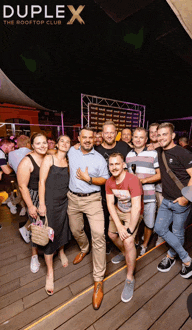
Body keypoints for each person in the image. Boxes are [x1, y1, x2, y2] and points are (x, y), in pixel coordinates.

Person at [67, 127, 109, 310]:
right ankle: (84, 248)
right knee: (76, 229)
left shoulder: (99, 159)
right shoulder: (71, 151)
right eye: (84, 137)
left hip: (92, 199)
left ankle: (98, 280)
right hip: (73, 198)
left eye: (91, 137)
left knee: (99, 234)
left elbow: (105, 180)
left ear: (94, 139)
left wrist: (89, 179)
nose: (87, 140)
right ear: (79, 138)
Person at [154, 122, 192, 278]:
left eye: (165, 134)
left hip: (181, 201)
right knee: (159, 228)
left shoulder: (183, 153)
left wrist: (185, 198)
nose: (161, 137)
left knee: (177, 232)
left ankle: (171, 256)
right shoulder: (159, 151)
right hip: (166, 200)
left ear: (172, 135)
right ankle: (188, 261)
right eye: (159, 135)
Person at [106, 153, 143, 302]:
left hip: (132, 214)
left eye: (117, 164)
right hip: (118, 211)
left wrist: (128, 229)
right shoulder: (109, 182)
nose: (114, 167)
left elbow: (136, 207)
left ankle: (130, 278)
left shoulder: (132, 180)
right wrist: (119, 227)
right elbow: (109, 204)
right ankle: (125, 253)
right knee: (112, 235)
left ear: (123, 165)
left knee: (128, 241)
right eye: (111, 164)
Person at [38, 135, 71, 295]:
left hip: (65, 202)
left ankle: (62, 251)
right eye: (62, 141)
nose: (65, 143)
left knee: (63, 228)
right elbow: (41, 182)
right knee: (49, 233)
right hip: (49, 203)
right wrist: (42, 204)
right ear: (57, 144)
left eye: (68, 141)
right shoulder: (49, 159)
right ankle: (50, 273)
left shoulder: (69, 162)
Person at [96, 120, 131, 254]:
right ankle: (110, 243)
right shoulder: (97, 150)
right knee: (106, 218)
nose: (109, 135)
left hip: (123, 193)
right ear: (102, 134)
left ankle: (127, 245)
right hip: (105, 192)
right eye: (106, 133)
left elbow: (133, 161)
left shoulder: (124, 146)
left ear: (116, 133)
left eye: (112, 132)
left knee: (124, 218)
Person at [126, 128, 160, 256]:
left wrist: (144, 181)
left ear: (146, 140)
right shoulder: (128, 156)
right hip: (133, 197)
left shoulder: (153, 154)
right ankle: (135, 241)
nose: (138, 140)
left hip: (149, 195)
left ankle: (145, 245)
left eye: (141, 137)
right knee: (134, 221)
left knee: (149, 222)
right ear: (132, 138)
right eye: (136, 137)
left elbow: (160, 175)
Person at [17, 133, 48, 273]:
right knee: (36, 227)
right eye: (38, 143)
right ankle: (34, 256)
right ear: (32, 145)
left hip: (48, 195)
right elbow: (22, 186)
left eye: (44, 142)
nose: (42, 146)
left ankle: (49, 249)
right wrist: (30, 206)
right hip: (34, 197)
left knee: (48, 225)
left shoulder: (48, 155)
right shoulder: (26, 162)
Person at [148, 123, 164, 246]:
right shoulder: (148, 147)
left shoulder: (164, 146)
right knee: (151, 210)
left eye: (155, 131)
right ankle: (151, 231)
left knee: (162, 211)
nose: (153, 134)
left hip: (162, 185)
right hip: (150, 184)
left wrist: (157, 144)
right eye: (151, 132)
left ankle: (160, 235)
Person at [8, 135, 31, 219]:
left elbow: (10, 165)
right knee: (26, 195)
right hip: (31, 178)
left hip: (18, 177)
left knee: (22, 193)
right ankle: (15, 204)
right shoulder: (32, 152)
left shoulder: (11, 154)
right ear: (28, 143)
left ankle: (20, 206)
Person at [0, 138, 16, 213]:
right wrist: (13, 167)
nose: (13, 150)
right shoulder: (0, 154)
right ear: (6, 145)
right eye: (12, 147)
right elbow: (7, 170)